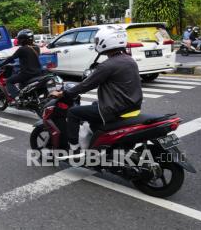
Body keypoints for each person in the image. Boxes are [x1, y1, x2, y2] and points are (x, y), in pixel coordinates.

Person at [50, 25, 143, 156]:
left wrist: (64, 93)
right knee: (94, 106)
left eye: (98, 41)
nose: (96, 43)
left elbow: (86, 85)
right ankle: (98, 142)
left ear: (105, 42)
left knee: (73, 113)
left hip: (114, 108)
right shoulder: (129, 60)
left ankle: (74, 148)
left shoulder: (108, 65)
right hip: (132, 105)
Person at [0, 29, 42, 100]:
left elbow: (11, 58)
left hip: (27, 74)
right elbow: (29, 59)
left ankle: (17, 98)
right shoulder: (36, 48)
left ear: (23, 40)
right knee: (18, 74)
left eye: (19, 39)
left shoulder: (22, 49)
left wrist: (0, 64)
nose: (18, 40)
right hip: (38, 73)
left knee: (8, 81)